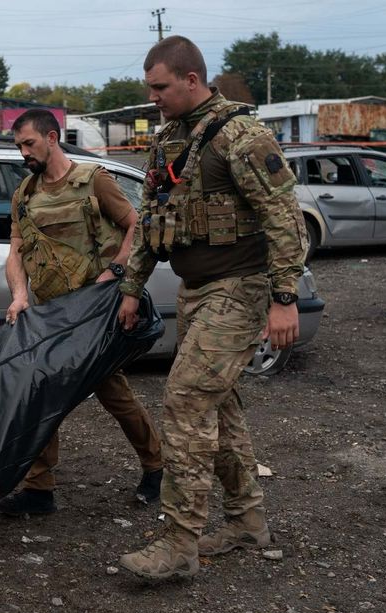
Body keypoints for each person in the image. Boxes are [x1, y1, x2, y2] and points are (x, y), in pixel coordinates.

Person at [114, 36, 307, 581]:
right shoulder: (170, 138)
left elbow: (285, 219)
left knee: (185, 401)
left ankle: (180, 543)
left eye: (160, 87)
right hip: (196, 291)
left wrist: (284, 298)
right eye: (150, 87)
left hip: (239, 288)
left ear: (191, 80)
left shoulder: (241, 136)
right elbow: (151, 215)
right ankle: (247, 522)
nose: (152, 97)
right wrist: (133, 286)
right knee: (219, 410)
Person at [0, 108, 164, 517]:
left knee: (114, 395)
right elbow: (16, 251)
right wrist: (19, 295)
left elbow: (135, 227)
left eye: (29, 143)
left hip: (93, 315)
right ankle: (39, 489)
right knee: (41, 394)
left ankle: (156, 467)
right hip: (50, 317)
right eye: (18, 145)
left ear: (52, 138)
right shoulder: (25, 195)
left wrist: (118, 274)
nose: (23, 153)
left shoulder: (93, 181)